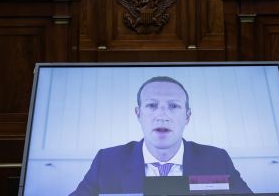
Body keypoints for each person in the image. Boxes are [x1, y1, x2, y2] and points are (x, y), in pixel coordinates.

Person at [70, 76, 252, 195]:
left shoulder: (217, 159)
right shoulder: (107, 161)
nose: (162, 115)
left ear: (187, 116)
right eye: (151, 105)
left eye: (173, 106)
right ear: (138, 113)